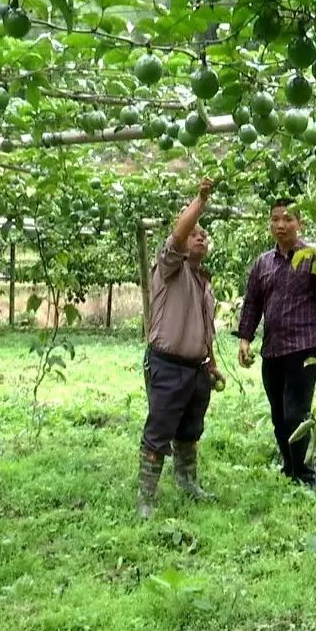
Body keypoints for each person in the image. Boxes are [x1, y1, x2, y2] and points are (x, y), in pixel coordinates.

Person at [136, 178, 225, 519]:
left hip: (197, 368)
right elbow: (177, 234)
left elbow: (206, 329)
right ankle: (146, 496)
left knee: (190, 430)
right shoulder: (170, 269)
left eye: (204, 234)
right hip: (168, 365)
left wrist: (212, 363)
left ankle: (187, 481)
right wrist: (200, 202)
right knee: (159, 430)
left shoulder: (203, 281)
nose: (200, 236)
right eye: (194, 233)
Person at [235, 199, 316, 488]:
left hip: (303, 349)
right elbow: (253, 303)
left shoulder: (313, 257)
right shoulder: (263, 263)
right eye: (275, 219)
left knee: (296, 413)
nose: (280, 225)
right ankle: (290, 467)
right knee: (279, 414)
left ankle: (305, 475)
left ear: (299, 223)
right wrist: (245, 338)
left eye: (287, 219)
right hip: (272, 350)